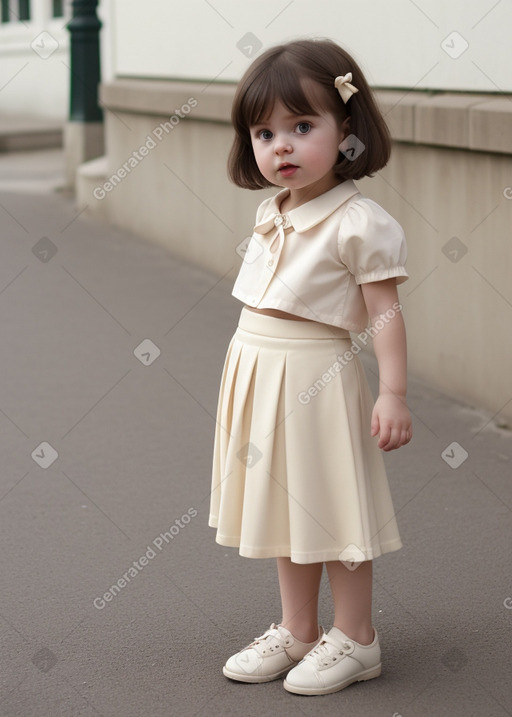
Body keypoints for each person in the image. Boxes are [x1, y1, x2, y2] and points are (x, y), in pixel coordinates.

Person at [208, 37, 412, 696]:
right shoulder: (272, 211)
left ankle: (355, 636)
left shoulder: (358, 221)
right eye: (265, 132)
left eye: (302, 126)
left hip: (317, 380)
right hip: (259, 373)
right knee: (285, 510)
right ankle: (298, 627)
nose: (282, 146)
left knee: (334, 512)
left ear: (346, 128)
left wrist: (393, 391)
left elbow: (384, 311)